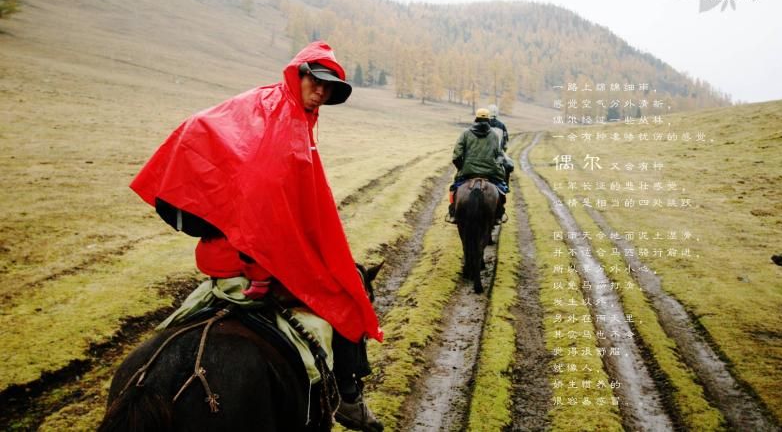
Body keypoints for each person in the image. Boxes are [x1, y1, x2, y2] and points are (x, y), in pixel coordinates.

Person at [129, 41, 384, 432]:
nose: (321, 91)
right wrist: (259, 266)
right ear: (296, 73)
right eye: (315, 80)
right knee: (345, 297)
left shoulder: (268, 109)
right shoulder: (280, 120)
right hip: (250, 260)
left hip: (223, 256)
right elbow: (262, 205)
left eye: (329, 87)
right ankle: (348, 398)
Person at [447, 108, 508, 223]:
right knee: (502, 188)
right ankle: (500, 214)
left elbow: (456, 156)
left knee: (453, 188)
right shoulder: (494, 136)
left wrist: (462, 167)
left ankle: (452, 213)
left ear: (476, 118)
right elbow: (500, 155)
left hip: (467, 171)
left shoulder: (465, 134)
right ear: (488, 119)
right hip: (491, 171)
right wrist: (497, 164)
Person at [487, 104, 514, 184]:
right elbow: (505, 144)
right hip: (498, 154)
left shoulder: (483, 124)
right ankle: (506, 186)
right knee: (509, 165)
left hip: (483, 153)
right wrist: (503, 149)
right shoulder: (502, 126)